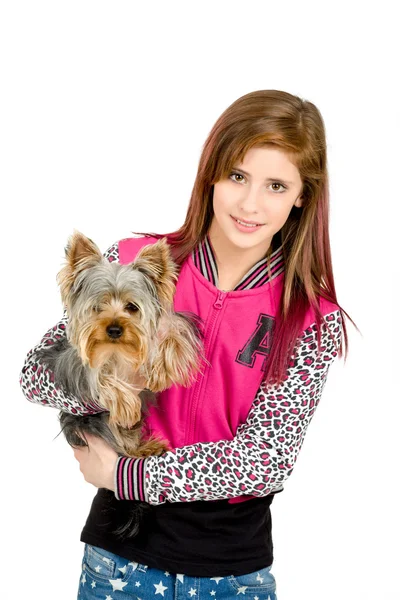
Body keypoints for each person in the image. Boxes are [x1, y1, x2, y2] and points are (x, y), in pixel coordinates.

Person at [19, 89, 355, 600]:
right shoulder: (133, 262)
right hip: (118, 561)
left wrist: (125, 474)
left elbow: (263, 460)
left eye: (275, 186)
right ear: (212, 174)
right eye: (238, 176)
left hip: (232, 573)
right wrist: (115, 382)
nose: (249, 203)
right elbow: (35, 376)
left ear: (302, 195)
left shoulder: (309, 319)